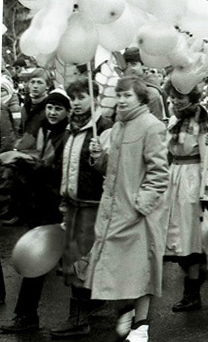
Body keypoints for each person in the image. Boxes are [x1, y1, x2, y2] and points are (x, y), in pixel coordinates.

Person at [85, 76, 169, 342]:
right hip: (113, 211)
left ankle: (141, 325)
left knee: (140, 269)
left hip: (137, 214)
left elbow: (159, 173)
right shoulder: (117, 127)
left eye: (127, 96)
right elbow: (113, 170)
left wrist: (140, 204)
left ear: (141, 99)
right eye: (119, 95)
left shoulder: (151, 126)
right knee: (117, 268)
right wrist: (99, 157)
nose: (121, 100)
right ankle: (127, 310)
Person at [0, 89, 70, 334]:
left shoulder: (67, 137)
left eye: (58, 108)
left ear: (67, 112)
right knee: (42, 262)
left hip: (56, 207)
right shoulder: (45, 130)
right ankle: (27, 315)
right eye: (50, 107)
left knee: (51, 262)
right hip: (40, 206)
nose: (52, 112)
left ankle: (31, 316)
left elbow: (60, 173)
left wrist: (29, 164)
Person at [50, 79, 113, 338]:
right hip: (74, 206)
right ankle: (89, 306)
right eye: (73, 98)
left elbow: (112, 170)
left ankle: (78, 319)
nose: (75, 103)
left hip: (93, 206)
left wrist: (101, 159)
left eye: (81, 97)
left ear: (95, 98)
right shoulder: (71, 130)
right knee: (73, 262)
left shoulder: (104, 128)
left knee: (80, 264)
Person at [162, 82, 208, 313]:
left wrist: (207, 191)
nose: (175, 101)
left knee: (191, 238)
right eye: (172, 97)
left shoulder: (201, 121)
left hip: (192, 181)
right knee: (177, 237)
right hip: (174, 178)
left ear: (191, 97)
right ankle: (193, 281)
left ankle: (192, 291)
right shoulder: (175, 119)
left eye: (180, 97)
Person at [122, 47, 168, 121]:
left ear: (143, 65)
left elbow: (156, 122)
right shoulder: (122, 85)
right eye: (126, 64)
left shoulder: (150, 92)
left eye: (133, 64)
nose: (129, 68)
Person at [15, 68, 52, 150]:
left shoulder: (50, 107)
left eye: (40, 82)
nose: (35, 86)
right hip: (25, 152)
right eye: (33, 82)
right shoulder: (26, 106)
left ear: (48, 86)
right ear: (28, 84)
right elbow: (21, 130)